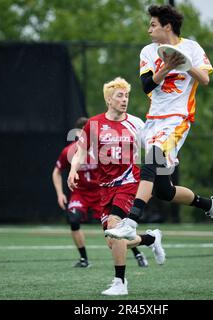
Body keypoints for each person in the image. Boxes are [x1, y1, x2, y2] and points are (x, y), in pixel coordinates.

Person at [105, 4, 213, 241]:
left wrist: (183, 62)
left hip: (177, 119)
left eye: (153, 24)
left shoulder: (191, 47)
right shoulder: (148, 52)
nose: (148, 29)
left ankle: (131, 222)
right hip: (153, 120)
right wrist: (167, 67)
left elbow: (204, 79)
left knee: (151, 158)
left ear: (167, 26)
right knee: (163, 189)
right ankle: (211, 206)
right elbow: (146, 86)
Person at [67, 77, 165, 296]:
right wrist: (74, 169)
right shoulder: (93, 124)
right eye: (120, 96)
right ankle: (151, 239)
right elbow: (81, 152)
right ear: (108, 99)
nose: (124, 99)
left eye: (127, 95)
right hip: (105, 188)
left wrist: (162, 161)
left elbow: (152, 149)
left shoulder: (136, 123)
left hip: (130, 183)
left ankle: (120, 283)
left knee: (116, 228)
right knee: (113, 242)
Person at [52, 117, 149, 268]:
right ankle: (84, 259)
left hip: (101, 193)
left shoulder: (103, 150)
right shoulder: (70, 151)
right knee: (73, 220)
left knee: (115, 230)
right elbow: (56, 171)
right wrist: (60, 193)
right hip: (81, 194)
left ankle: (138, 253)